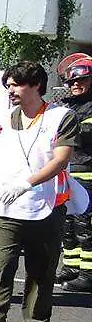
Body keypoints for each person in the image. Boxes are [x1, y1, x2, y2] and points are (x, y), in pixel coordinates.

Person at [0, 61, 78, 322]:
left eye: (15, 85)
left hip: (46, 205)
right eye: (8, 85)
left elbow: (61, 160)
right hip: (4, 207)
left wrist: (27, 184)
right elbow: (0, 158)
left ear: (36, 85)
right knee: (1, 270)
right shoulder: (1, 119)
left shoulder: (61, 117)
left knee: (41, 269)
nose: (10, 91)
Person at [55, 57, 92, 292]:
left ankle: (88, 274)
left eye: (81, 80)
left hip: (88, 171)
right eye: (72, 81)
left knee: (85, 226)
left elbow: (85, 135)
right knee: (67, 224)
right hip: (69, 171)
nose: (75, 84)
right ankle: (71, 266)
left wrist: (62, 132)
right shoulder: (69, 106)